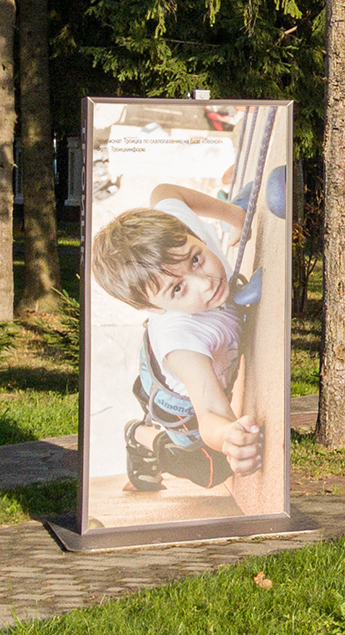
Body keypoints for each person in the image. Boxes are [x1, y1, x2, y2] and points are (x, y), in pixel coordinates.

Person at [93, 184, 266, 492]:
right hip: (177, 400)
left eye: (196, 260)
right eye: (176, 289)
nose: (205, 282)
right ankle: (140, 436)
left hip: (169, 356)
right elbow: (211, 410)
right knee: (213, 469)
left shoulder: (178, 240)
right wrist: (229, 437)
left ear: (191, 235)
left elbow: (163, 192)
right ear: (152, 307)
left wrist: (236, 216)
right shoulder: (184, 340)